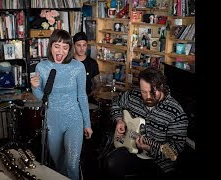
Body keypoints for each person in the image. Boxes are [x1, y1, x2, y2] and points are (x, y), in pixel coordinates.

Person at [30, 29, 93, 180]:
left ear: (69, 49)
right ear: (50, 46)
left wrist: (87, 123)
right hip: (52, 120)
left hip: (74, 120)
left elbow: (82, 96)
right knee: (58, 166)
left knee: (72, 165)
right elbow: (42, 97)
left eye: (65, 47)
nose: (61, 51)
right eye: (57, 46)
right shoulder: (42, 67)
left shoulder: (78, 67)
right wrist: (34, 87)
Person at [106, 67, 188, 179]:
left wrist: (149, 148)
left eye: (152, 92)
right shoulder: (133, 95)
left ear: (161, 87)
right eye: (144, 92)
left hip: (158, 162)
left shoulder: (176, 113)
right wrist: (119, 120)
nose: (148, 97)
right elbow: (116, 102)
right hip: (132, 150)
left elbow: (175, 150)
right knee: (111, 162)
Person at [73, 31, 101, 105]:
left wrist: (94, 92)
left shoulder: (92, 63)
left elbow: (97, 83)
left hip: (87, 99)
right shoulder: (68, 62)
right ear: (73, 46)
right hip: (71, 100)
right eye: (79, 45)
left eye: (84, 45)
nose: (82, 48)